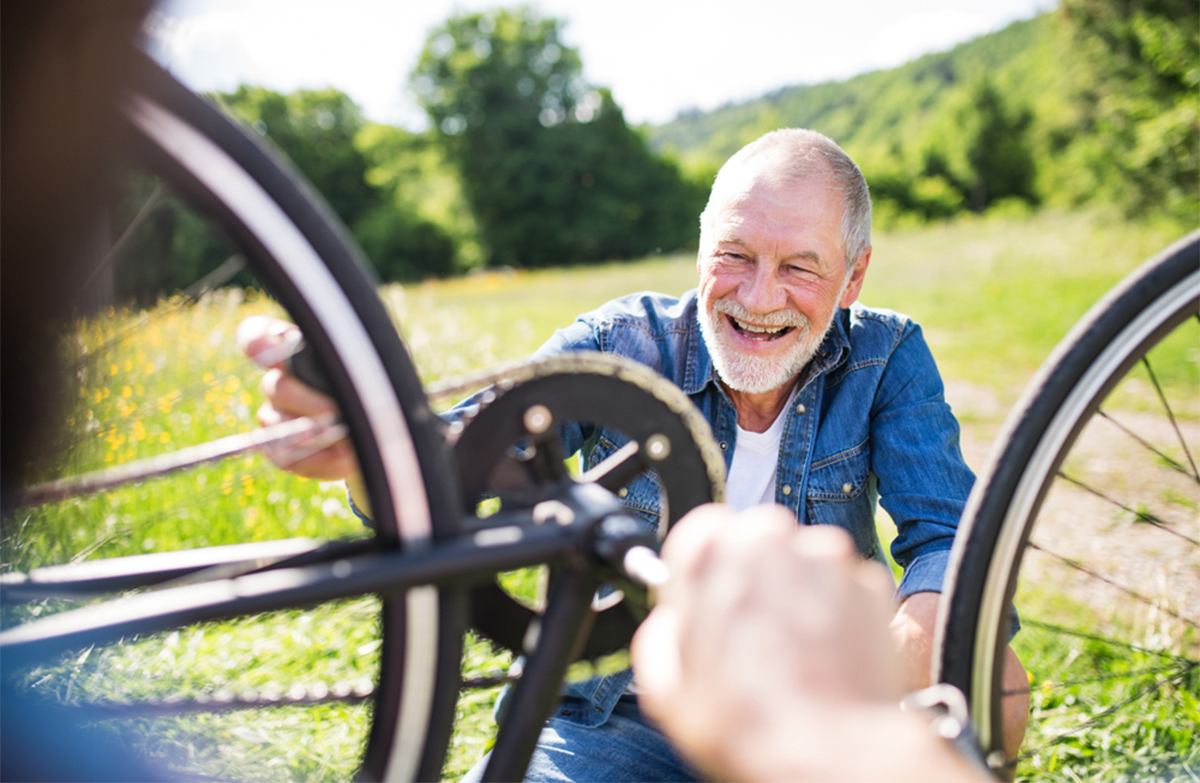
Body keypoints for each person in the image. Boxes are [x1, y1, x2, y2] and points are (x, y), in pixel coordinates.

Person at [241, 127, 1029, 781]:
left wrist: (862, 679)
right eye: (736, 256)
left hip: (806, 697)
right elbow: (464, 459)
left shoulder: (887, 358)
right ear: (700, 250)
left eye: (798, 268)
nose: (757, 299)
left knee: (997, 686)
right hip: (618, 715)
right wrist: (367, 451)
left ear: (853, 278)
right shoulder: (622, 341)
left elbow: (951, 542)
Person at [631, 503, 992, 782]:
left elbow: (949, 537)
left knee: (995, 684)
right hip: (628, 717)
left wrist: (857, 691)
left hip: (841, 688)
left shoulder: (870, 401)